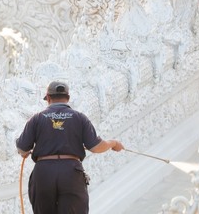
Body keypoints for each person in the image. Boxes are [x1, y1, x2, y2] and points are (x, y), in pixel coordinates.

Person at [16, 80, 123, 213]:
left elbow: (22, 148)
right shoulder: (80, 118)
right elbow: (96, 147)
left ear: (48, 98)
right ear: (68, 98)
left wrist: (25, 152)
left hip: (44, 174)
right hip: (71, 172)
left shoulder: (37, 118)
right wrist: (113, 143)